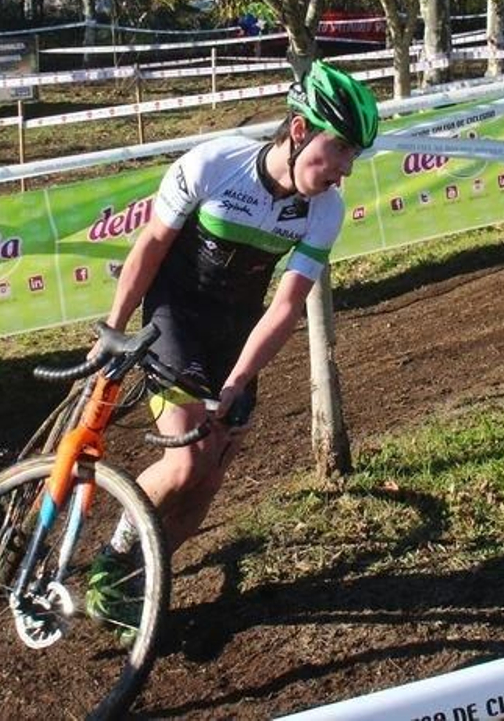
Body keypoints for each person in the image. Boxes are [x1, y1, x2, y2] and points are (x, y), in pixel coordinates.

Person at [84, 60, 380, 626]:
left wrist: (239, 380)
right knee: (185, 463)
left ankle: (140, 583)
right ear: (299, 131)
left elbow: (287, 304)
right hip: (174, 318)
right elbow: (150, 244)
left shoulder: (325, 209)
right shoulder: (216, 164)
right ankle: (114, 555)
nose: (343, 170)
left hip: (236, 336)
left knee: (211, 478)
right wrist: (116, 326)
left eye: (353, 156)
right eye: (338, 147)